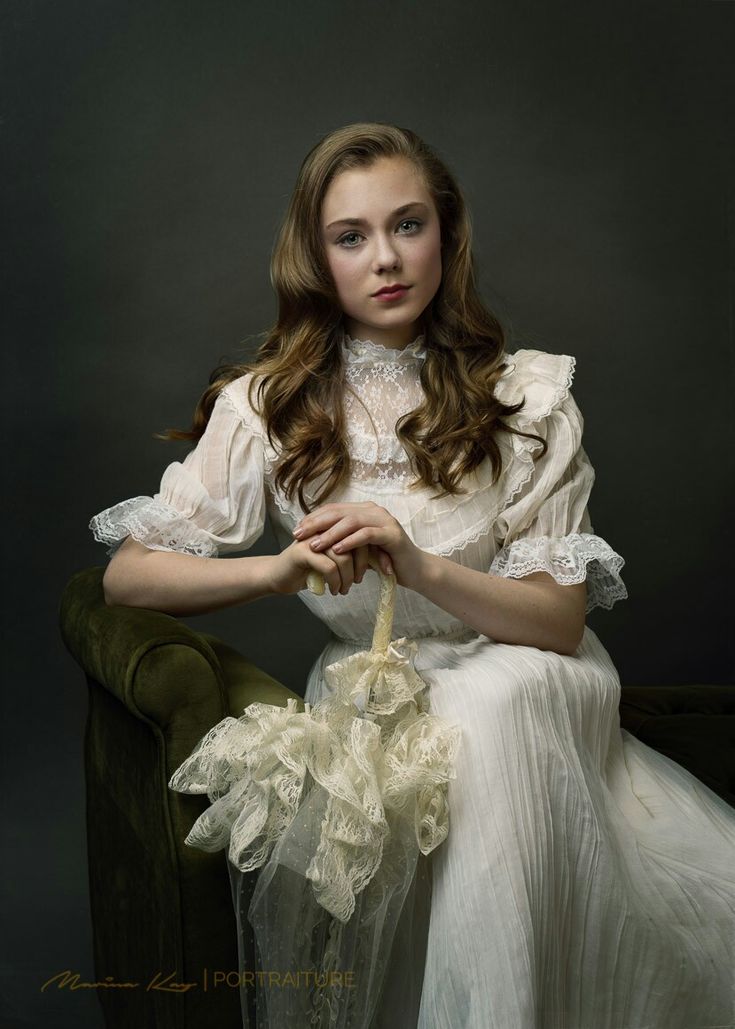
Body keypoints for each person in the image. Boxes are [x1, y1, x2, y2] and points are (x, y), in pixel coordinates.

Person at [89, 122, 735, 1029]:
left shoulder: (527, 397)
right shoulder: (265, 405)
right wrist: (279, 570)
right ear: (316, 257)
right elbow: (128, 577)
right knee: (444, 722)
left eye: (408, 225)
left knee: (488, 705)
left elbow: (554, 621)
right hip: (379, 690)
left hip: (528, 675)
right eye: (350, 236)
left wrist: (417, 560)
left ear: (448, 233)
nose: (385, 259)